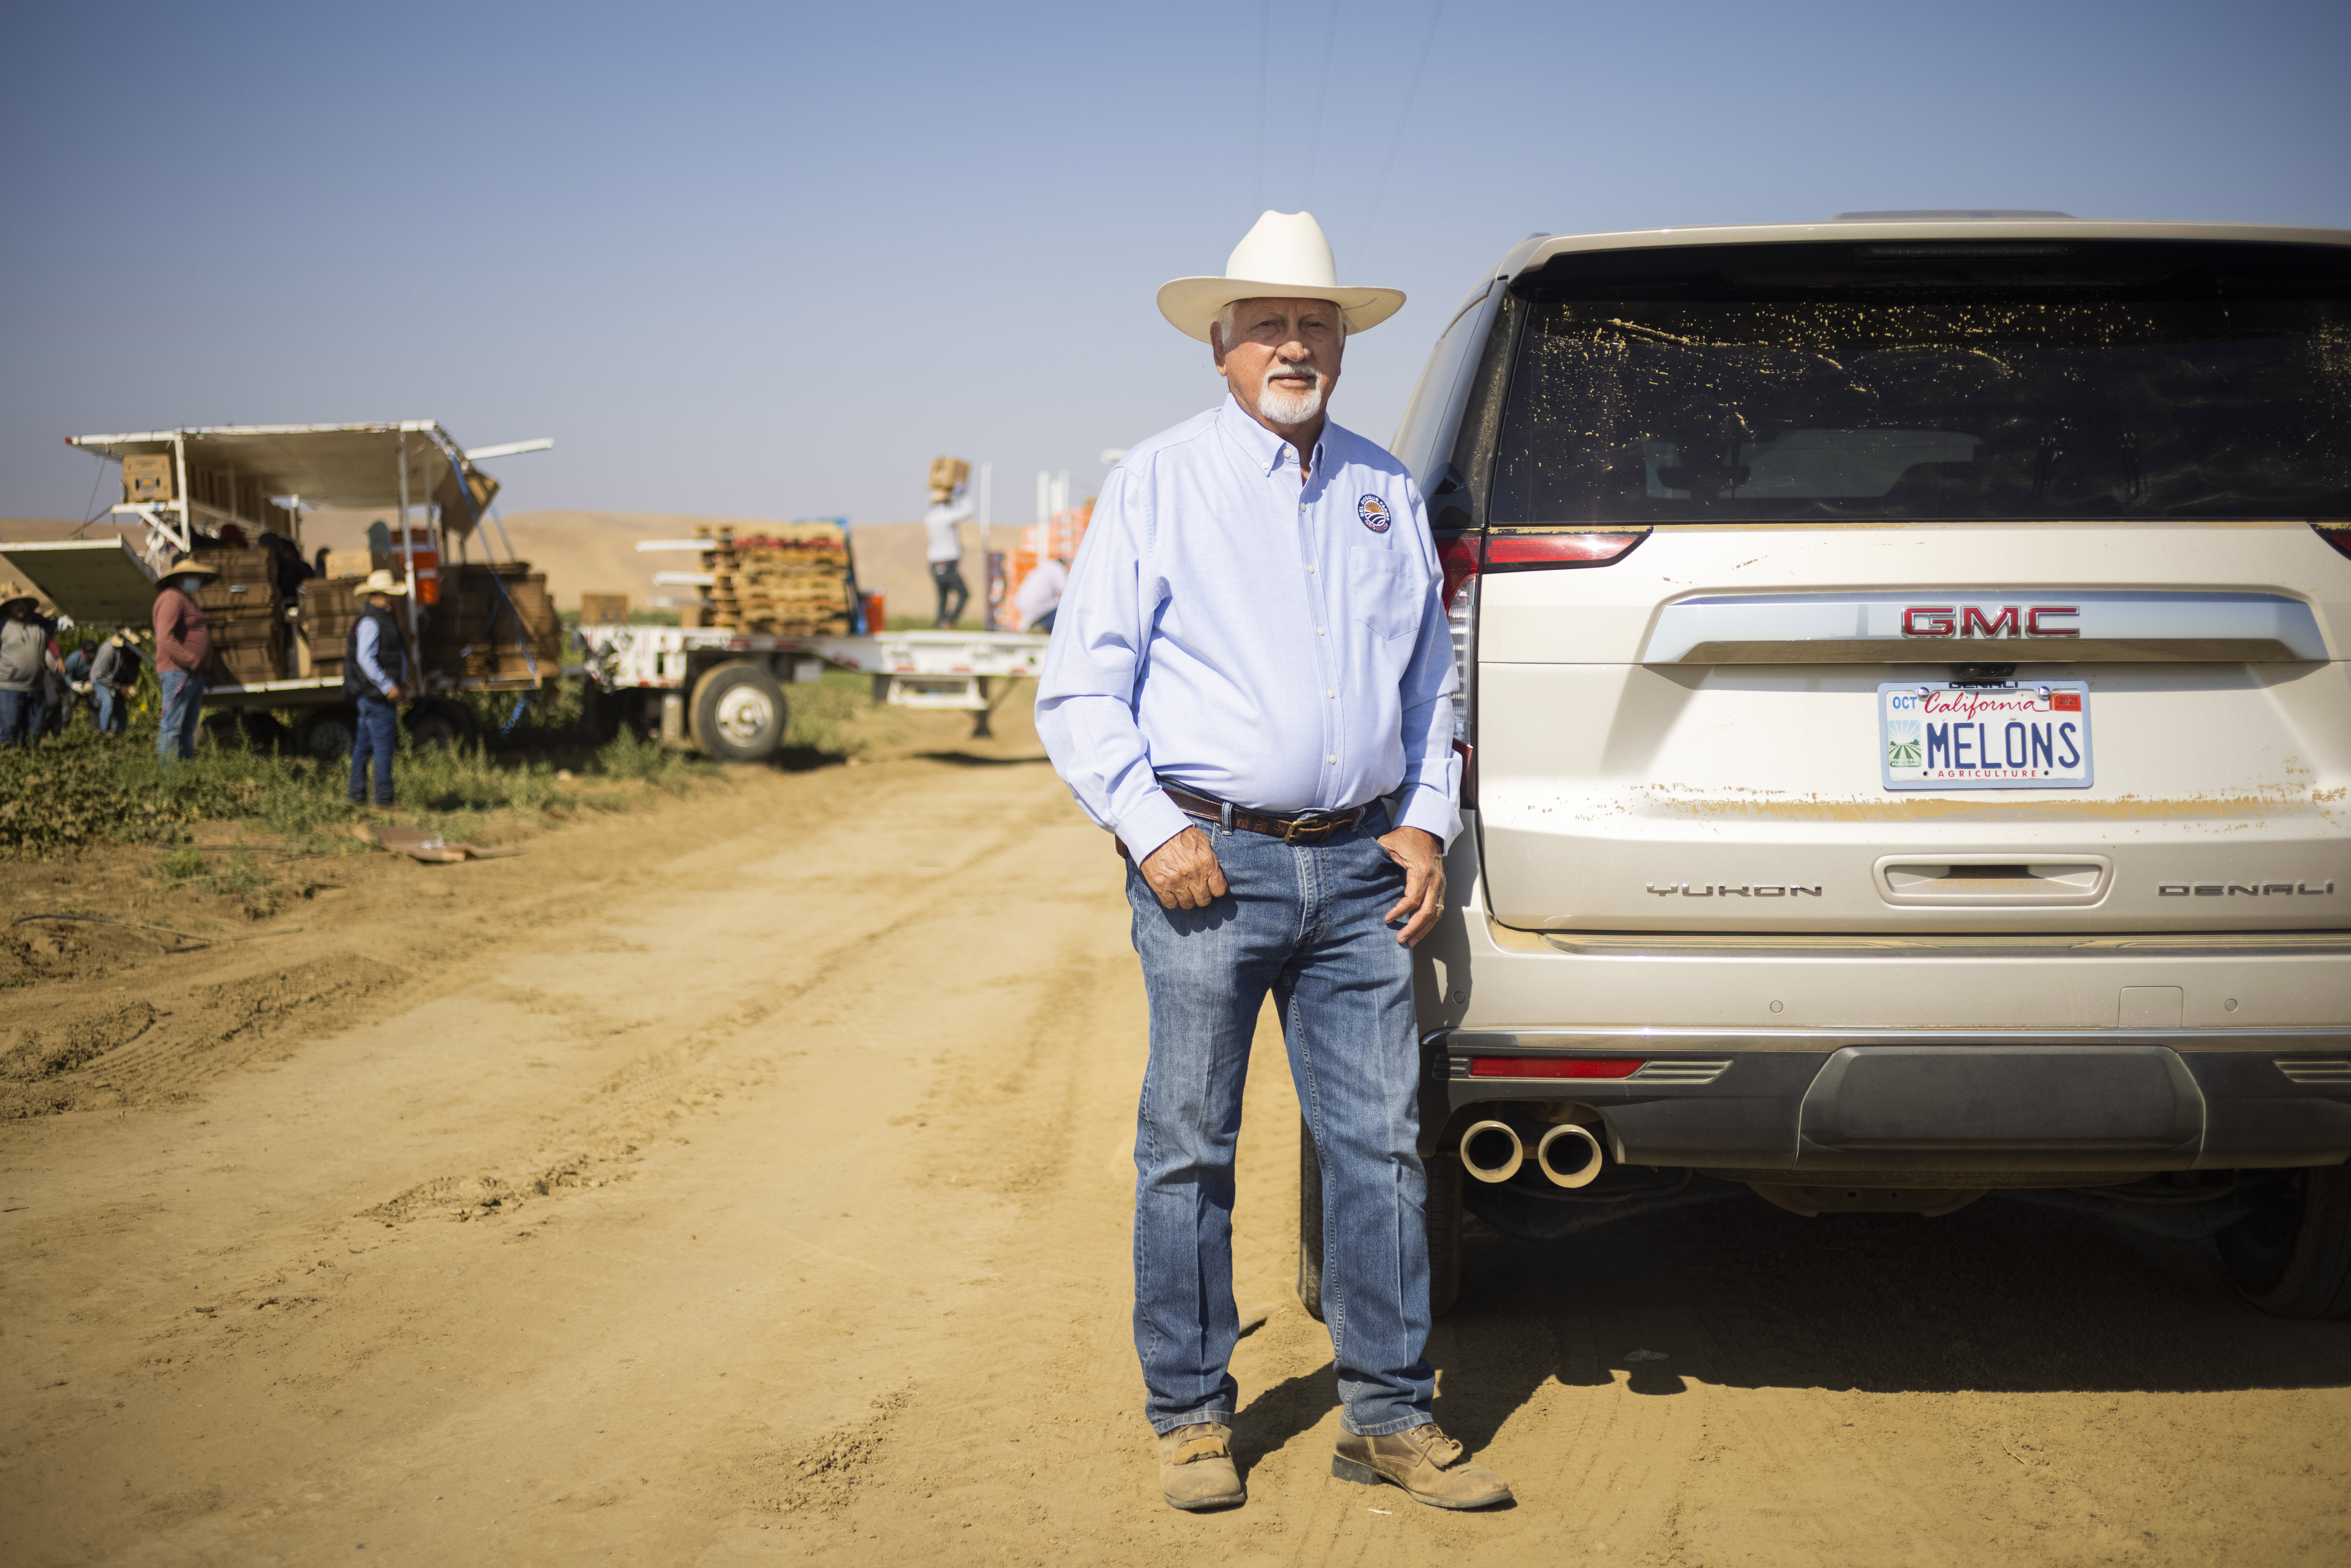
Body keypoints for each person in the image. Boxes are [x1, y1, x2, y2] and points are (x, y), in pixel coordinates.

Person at [1034, 211, 1509, 1514]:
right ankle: (1192, 1417)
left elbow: (1431, 690)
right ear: (1221, 346)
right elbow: (1081, 690)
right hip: (1208, 870)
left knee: (1382, 1152)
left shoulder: (1382, 494)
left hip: (1361, 874)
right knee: (1188, 1147)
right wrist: (1152, 828)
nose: (1294, 344)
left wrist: (1423, 820)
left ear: (1343, 348)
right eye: (1268, 326)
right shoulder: (1158, 484)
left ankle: (1388, 1419)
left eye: (1316, 324)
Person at [344, 568, 408, 807]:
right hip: (376, 697)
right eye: (385, 595)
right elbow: (366, 659)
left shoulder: (376, 620)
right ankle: (384, 798)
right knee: (383, 748)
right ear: (374, 597)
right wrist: (388, 686)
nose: (389, 599)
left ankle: (357, 796)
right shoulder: (372, 622)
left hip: (370, 696)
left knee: (364, 746)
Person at [151, 555, 219, 762]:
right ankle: (169, 777)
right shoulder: (171, 599)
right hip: (178, 672)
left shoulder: (185, 599)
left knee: (187, 728)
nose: (196, 580)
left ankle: (185, 773)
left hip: (192, 674)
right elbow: (165, 637)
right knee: (172, 727)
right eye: (192, 576)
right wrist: (192, 661)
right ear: (180, 578)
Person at [0, 590, 48, 750]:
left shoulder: (40, 625)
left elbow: (63, 623)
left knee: (35, 732)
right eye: (15, 604)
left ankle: (32, 765)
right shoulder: (2, 626)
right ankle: (10, 766)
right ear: (8, 608)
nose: (20, 607)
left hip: (36, 688)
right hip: (9, 688)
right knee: (9, 730)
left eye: (23, 603)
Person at [924, 482, 974, 628]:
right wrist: (962, 496)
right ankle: (949, 622)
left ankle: (939, 624)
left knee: (943, 598)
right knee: (964, 594)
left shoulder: (931, 517)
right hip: (946, 563)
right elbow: (968, 511)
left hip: (935, 563)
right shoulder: (945, 517)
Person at [89, 628, 142, 736]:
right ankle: (104, 735)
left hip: (117, 682)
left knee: (121, 710)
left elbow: (133, 668)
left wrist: (130, 684)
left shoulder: (133, 652)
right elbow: (101, 677)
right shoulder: (108, 650)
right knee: (108, 703)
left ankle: (119, 736)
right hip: (101, 681)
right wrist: (120, 687)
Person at [1012, 554, 1067, 633]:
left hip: (1024, 608)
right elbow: (1065, 593)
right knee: (1064, 610)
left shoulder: (1044, 569)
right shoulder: (1058, 568)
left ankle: (1038, 626)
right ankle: (1041, 627)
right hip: (1038, 608)